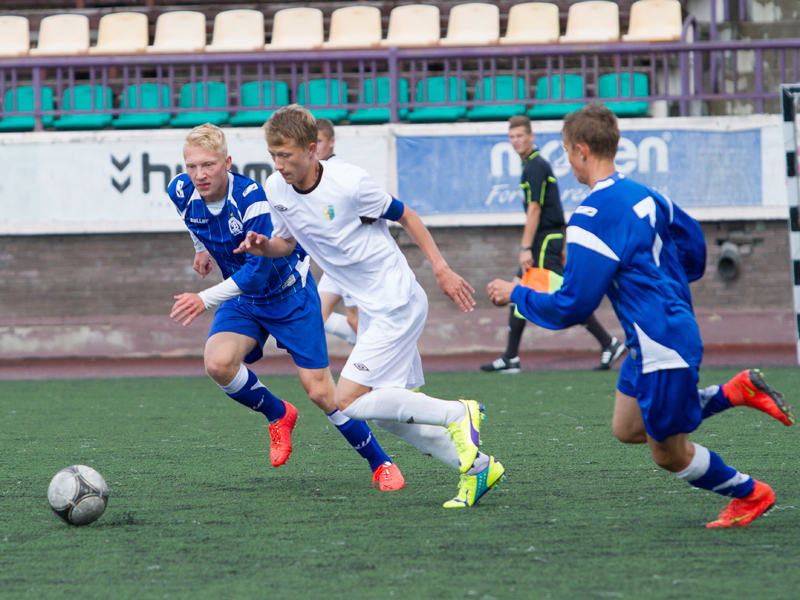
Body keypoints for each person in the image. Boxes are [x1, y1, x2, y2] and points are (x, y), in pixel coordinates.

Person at [488, 103, 794, 527]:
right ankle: (735, 392)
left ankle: (751, 493)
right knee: (628, 427)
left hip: (660, 342)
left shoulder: (591, 217)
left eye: (566, 151)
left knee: (668, 453)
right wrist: (665, 285)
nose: (568, 161)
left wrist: (517, 294)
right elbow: (694, 248)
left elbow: (573, 306)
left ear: (581, 150)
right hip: (654, 336)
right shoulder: (649, 196)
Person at [236, 104, 506, 508]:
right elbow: (287, 243)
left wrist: (441, 269)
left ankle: (458, 413)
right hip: (374, 308)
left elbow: (406, 215)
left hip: (395, 301)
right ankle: (479, 468)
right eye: (273, 155)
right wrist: (264, 246)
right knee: (384, 415)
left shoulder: (349, 184)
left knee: (346, 399)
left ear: (311, 149)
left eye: (286, 155)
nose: (279, 164)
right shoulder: (276, 188)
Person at [167, 123, 405, 491]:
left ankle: (381, 462)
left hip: (289, 295)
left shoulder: (252, 199)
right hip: (244, 300)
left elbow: (257, 273)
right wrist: (200, 249)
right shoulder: (180, 190)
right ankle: (279, 414)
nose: (199, 175)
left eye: (209, 165)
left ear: (227, 163)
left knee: (322, 393)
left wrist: (203, 299)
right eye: (192, 166)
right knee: (218, 364)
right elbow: (192, 220)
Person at [481, 115, 625, 374]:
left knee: (560, 293)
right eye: (512, 136)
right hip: (549, 239)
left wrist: (525, 248)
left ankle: (608, 342)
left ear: (531, 136)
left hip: (545, 240)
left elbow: (536, 209)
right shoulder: (531, 165)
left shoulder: (535, 166)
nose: (516, 140)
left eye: (520, 135)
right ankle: (511, 356)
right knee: (520, 289)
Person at [314, 117, 360, 347]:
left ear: (331, 142)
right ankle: (371, 351)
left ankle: (389, 358)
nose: (314, 147)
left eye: (319, 141)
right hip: (333, 261)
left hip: (349, 257)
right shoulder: (313, 173)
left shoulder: (339, 171)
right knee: (315, 315)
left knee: (355, 319)